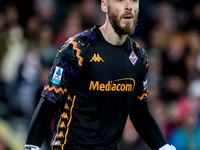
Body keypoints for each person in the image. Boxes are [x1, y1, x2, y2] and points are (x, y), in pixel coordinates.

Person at [24, 0, 176, 150]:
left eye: (134, 1)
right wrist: (32, 146)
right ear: (104, 5)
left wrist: (163, 147)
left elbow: (139, 112)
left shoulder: (139, 57)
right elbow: (49, 102)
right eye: (120, 1)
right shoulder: (77, 49)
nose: (129, 6)